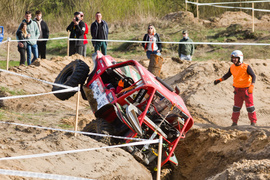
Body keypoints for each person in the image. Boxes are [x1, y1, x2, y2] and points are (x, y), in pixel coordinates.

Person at [214, 50, 257, 126]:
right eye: (233, 58)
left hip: (247, 90)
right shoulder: (232, 67)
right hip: (237, 91)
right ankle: (234, 123)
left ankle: (253, 122)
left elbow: (253, 76)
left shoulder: (246, 66)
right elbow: (227, 75)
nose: (234, 60)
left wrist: (252, 85)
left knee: (250, 107)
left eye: (235, 58)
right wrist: (220, 80)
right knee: (236, 108)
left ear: (240, 58)